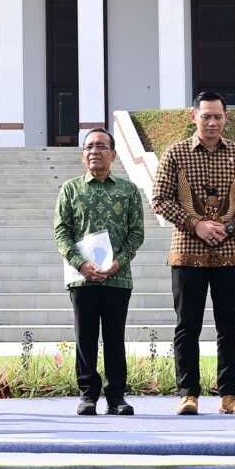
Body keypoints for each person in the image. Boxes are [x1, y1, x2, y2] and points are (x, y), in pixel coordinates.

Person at [150, 91, 235, 415]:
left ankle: (229, 395)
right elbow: (160, 198)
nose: (212, 122)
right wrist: (196, 224)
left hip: (232, 251)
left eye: (218, 116)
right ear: (193, 116)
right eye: (206, 116)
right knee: (187, 326)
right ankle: (188, 393)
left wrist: (227, 226)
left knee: (230, 327)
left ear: (227, 117)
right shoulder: (176, 154)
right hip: (187, 252)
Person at [53, 128, 146, 416]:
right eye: (90, 147)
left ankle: (117, 396)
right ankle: (87, 395)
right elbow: (61, 231)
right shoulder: (70, 189)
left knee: (115, 338)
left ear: (114, 154)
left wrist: (119, 261)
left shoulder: (128, 190)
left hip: (118, 277)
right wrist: (80, 263)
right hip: (82, 277)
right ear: (83, 155)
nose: (95, 151)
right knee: (86, 337)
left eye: (102, 146)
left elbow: (137, 232)